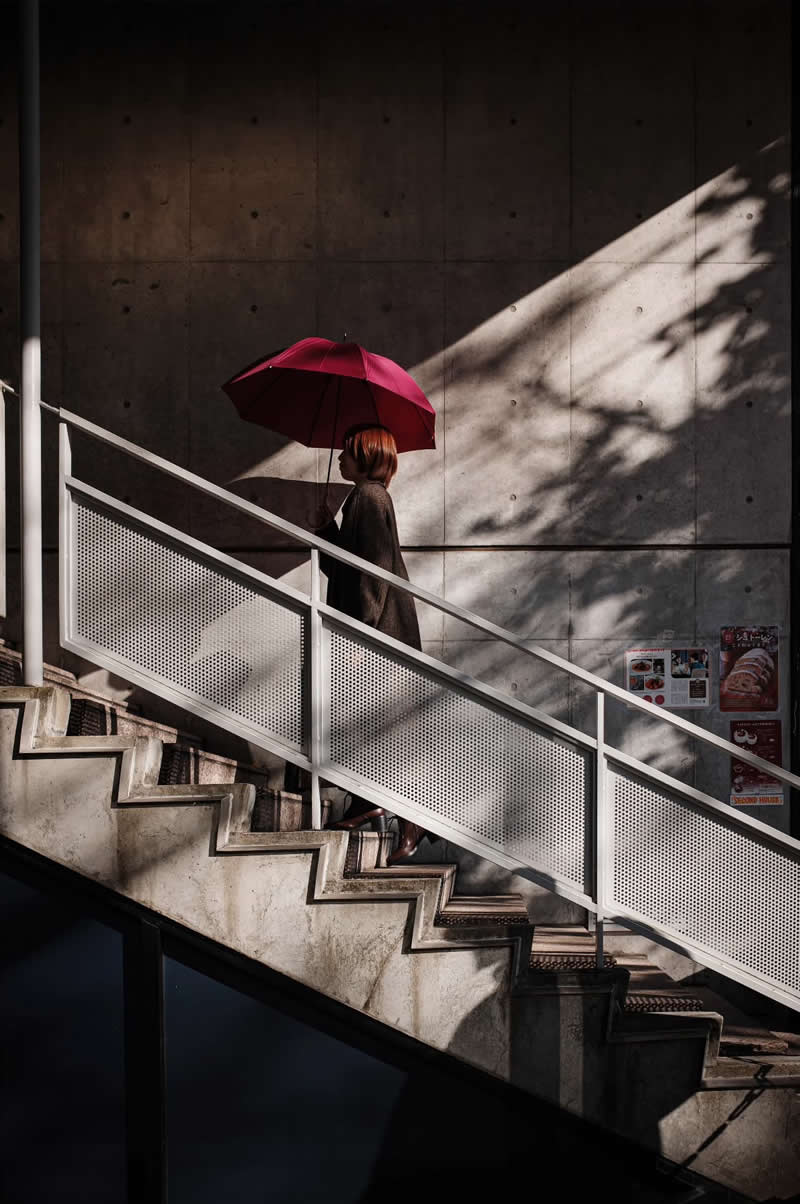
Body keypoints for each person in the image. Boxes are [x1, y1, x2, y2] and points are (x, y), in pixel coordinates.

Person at [312, 424, 427, 865]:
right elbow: (348, 570)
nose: (340, 458)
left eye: (346, 452)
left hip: (377, 633)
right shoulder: (366, 499)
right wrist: (326, 531)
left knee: (378, 724)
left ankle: (386, 809)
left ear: (364, 455)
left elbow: (371, 575)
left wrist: (358, 630)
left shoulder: (368, 497)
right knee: (378, 726)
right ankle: (385, 809)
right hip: (382, 629)